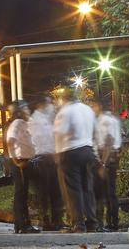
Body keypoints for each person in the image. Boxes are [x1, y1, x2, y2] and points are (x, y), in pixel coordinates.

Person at [53, 86, 98, 233]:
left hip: (70, 151)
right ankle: (92, 222)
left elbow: (60, 132)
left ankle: (78, 224)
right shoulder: (87, 109)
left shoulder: (65, 111)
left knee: (73, 189)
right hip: (88, 149)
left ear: (64, 98)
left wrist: (57, 153)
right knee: (87, 188)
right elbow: (95, 130)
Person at [28, 95, 63, 230]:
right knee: (44, 192)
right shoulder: (35, 120)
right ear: (41, 105)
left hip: (53, 158)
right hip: (42, 159)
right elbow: (39, 140)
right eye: (49, 103)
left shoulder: (50, 118)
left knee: (56, 191)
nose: (51, 106)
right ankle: (46, 220)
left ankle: (57, 220)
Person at [5, 101, 40, 234]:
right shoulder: (17, 123)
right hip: (20, 162)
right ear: (19, 111)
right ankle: (22, 224)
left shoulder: (24, 123)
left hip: (24, 161)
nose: (28, 110)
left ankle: (21, 224)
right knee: (21, 194)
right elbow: (10, 141)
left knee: (22, 193)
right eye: (25, 108)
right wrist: (15, 160)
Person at [92, 101, 123, 231]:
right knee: (110, 192)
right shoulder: (114, 119)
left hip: (106, 156)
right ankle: (112, 222)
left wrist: (103, 163)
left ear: (99, 106)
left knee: (102, 192)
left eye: (93, 106)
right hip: (113, 156)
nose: (92, 109)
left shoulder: (103, 120)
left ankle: (104, 223)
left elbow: (108, 140)